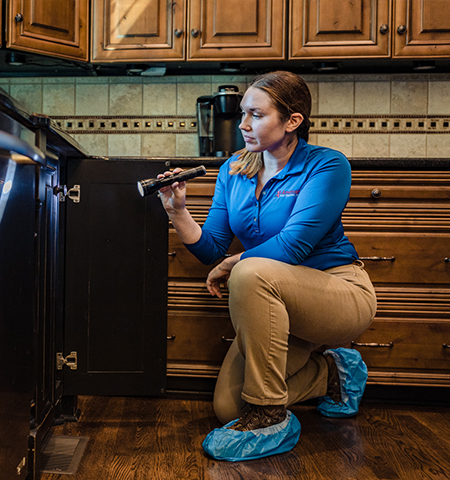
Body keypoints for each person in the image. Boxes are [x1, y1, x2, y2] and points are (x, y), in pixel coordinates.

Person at [156, 71, 377, 462]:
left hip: (338, 291)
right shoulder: (234, 169)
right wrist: (178, 212)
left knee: (250, 271)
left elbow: (295, 245)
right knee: (228, 409)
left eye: (256, 115)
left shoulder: (327, 166)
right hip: (273, 301)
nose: (243, 125)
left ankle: (270, 416)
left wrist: (235, 262)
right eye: (243, 114)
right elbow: (212, 249)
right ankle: (332, 375)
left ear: (292, 121)